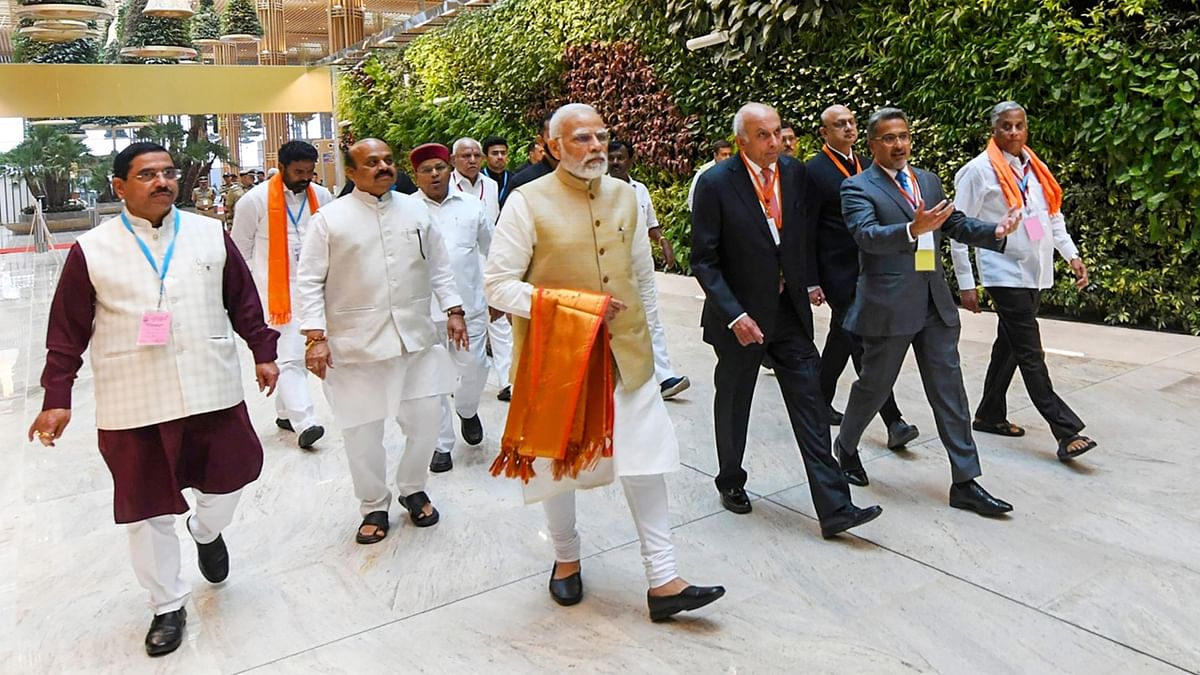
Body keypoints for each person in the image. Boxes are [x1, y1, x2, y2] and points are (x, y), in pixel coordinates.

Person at [28, 142, 280, 657]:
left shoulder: (211, 233)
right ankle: (167, 604)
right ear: (119, 187)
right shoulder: (92, 250)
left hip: (209, 384)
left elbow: (243, 297)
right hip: (134, 396)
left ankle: (207, 531)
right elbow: (67, 330)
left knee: (234, 475)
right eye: (147, 175)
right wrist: (58, 395)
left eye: (167, 173)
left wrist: (262, 349)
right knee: (146, 509)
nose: (162, 181)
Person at [485, 103, 725, 621]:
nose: (595, 147)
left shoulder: (627, 196)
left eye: (601, 136)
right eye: (580, 139)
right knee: (556, 463)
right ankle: (566, 559)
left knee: (647, 460)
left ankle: (664, 580)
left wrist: (653, 347)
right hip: (558, 359)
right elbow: (498, 286)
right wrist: (573, 307)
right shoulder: (526, 203)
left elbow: (640, 276)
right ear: (552, 147)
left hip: (626, 355)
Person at [690, 102, 882, 538]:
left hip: (789, 313)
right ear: (741, 141)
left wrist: (814, 281)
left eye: (777, 133)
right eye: (763, 135)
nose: (775, 142)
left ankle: (835, 508)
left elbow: (806, 236)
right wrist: (734, 313)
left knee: (811, 404)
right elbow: (704, 260)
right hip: (740, 316)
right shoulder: (716, 184)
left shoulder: (794, 174)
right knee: (735, 400)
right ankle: (730, 479)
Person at [835, 107, 1021, 515]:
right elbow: (866, 237)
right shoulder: (856, 188)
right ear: (872, 145)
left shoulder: (927, 181)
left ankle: (966, 482)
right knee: (874, 387)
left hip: (933, 303)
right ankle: (845, 446)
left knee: (950, 390)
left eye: (903, 136)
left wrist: (994, 231)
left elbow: (952, 223)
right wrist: (910, 230)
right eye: (888, 138)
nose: (899, 144)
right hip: (888, 305)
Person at [297, 138, 466, 545]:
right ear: (351, 173)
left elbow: (439, 266)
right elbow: (308, 281)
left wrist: (454, 310)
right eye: (371, 163)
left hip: (415, 339)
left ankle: (412, 487)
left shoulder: (415, 208)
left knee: (427, 421)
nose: (383, 167)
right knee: (362, 431)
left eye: (388, 160)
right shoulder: (330, 219)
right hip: (356, 345)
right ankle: (373, 503)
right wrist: (315, 337)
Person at [951, 101, 1096, 461]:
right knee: (1031, 352)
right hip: (1003, 271)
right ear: (993, 130)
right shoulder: (978, 171)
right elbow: (958, 229)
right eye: (1005, 127)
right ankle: (1065, 429)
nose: (1013, 133)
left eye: (1019, 126)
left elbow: (1050, 217)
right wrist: (966, 282)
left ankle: (989, 413)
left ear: (1026, 128)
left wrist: (1072, 255)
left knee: (1011, 346)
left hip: (1034, 269)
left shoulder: (1034, 167)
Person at [805, 105, 919, 449]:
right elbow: (806, 228)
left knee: (842, 337)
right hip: (837, 271)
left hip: (870, 266)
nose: (848, 128)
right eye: (839, 125)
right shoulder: (814, 170)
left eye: (852, 123)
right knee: (865, 342)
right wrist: (811, 279)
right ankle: (893, 419)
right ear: (825, 133)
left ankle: (817, 401)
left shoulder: (869, 165)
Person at [231, 140, 334, 449]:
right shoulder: (254, 200)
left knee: (300, 355)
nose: (305, 178)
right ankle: (305, 422)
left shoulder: (324, 197)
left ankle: (285, 414)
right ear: (283, 166)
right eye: (298, 171)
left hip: (315, 288)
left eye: (310, 172)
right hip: (275, 296)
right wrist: (256, 288)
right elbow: (239, 250)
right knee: (288, 358)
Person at [409, 142, 493, 474]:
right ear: (415, 174)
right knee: (431, 382)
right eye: (426, 169)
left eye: (439, 168)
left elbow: (493, 252)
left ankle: (468, 410)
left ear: (450, 169)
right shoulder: (404, 210)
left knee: (473, 369)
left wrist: (498, 295)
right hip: (421, 312)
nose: (434, 174)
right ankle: (441, 444)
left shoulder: (473, 207)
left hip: (470, 306)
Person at [607, 139, 690, 400]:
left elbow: (651, 225)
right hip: (610, 267)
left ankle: (665, 378)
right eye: (612, 158)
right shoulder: (598, 190)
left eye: (621, 157)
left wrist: (663, 242)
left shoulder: (640, 190)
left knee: (650, 318)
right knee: (615, 322)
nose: (616, 162)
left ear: (631, 160)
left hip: (641, 264)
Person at [451, 137, 500, 224]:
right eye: (466, 156)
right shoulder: (446, 185)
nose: (472, 160)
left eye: (477, 156)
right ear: (453, 160)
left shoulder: (491, 185)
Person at [509, 114, 559, 192]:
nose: (560, 142)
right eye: (553, 136)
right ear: (540, 141)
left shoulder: (582, 177)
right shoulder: (523, 181)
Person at [686, 140, 733, 211]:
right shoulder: (704, 172)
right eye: (724, 155)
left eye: (730, 154)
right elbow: (692, 197)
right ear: (715, 155)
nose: (728, 158)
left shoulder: (734, 171)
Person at [481, 135, 514, 207]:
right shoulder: (478, 179)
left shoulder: (514, 179)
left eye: (503, 153)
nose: (500, 157)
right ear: (485, 157)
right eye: (495, 153)